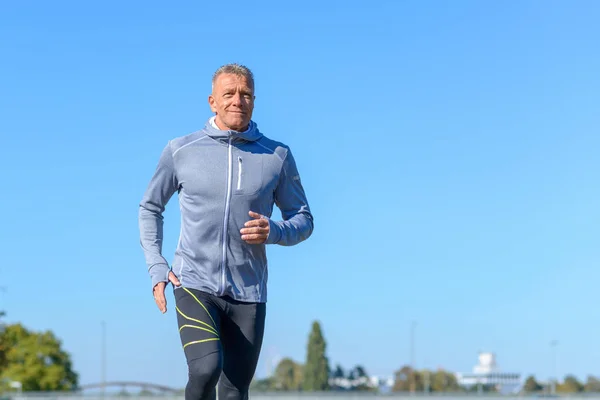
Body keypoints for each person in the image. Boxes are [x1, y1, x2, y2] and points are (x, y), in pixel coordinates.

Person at [138, 63, 314, 400]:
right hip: (193, 283)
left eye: (246, 94)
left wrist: (274, 230)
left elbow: (303, 218)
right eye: (229, 94)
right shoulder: (181, 150)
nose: (238, 100)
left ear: (254, 101)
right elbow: (149, 208)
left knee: (235, 390)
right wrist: (156, 265)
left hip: (249, 291)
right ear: (212, 102)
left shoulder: (276, 155)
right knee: (205, 369)